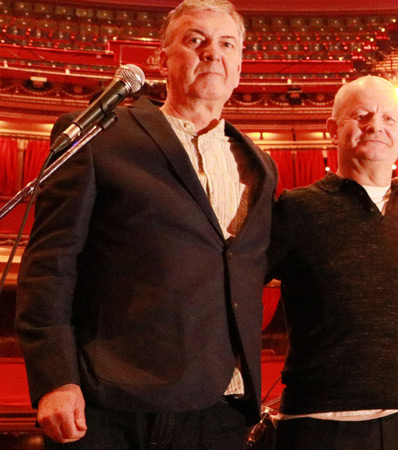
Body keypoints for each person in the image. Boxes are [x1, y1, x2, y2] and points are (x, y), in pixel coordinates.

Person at [15, 1, 278, 448]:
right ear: (164, 59)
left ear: (239, 65)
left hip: (222, 411)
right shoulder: (101, 136)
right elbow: (49, 266)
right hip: (116, 409)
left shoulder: (259, 165)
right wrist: (56, 379)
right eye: (196, 40)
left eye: (227, 44)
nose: (213, 53)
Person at [267, 76, 398, 450]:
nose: (375, 126)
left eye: (388, 119)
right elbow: (233, 288)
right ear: (332, 129)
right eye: (362, 115)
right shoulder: (295, 209)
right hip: (318, 424)